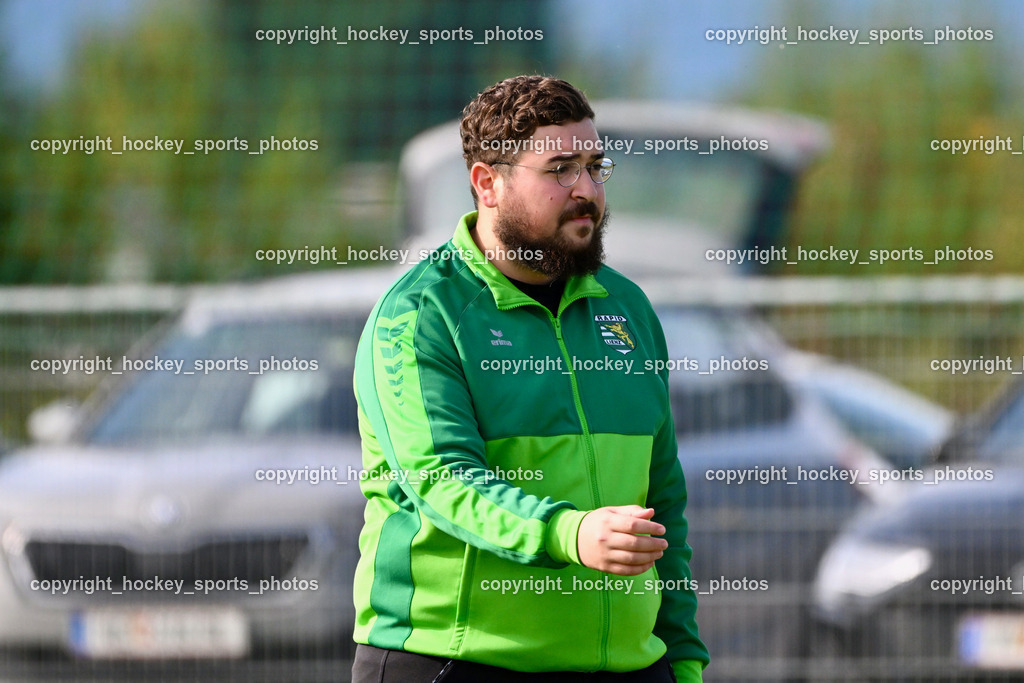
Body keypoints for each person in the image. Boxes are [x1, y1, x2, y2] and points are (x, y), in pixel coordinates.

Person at [351, 74, 708, 682]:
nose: (587, 190)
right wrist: (568, 533)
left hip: (628, 667)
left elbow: (664, 502)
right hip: (455, 659)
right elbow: (442, 479)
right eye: (560, 169)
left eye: (596, 167)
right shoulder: (420, 315)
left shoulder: (630, 310)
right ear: (487, 183)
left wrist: (682, 660)